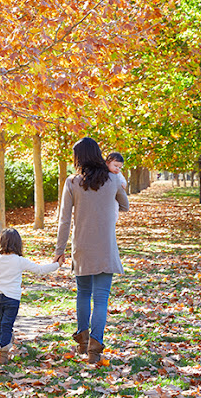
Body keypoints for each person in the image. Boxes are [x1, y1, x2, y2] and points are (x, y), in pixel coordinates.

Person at [53, 138, 129, 364]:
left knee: (83, 295)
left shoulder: (72, 182)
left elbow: (64, 220)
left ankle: (83, 343)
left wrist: (59, 249)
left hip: (82, 247)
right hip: (106, 247)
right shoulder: (113, 179)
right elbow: (125, 206)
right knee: (101, 298)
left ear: (80, 158)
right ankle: (95, 351)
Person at [0, 228, 62, 364]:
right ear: (18, 244)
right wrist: (57, 264)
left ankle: (2, 345)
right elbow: (40, 270)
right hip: (12, 298)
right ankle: (3, 352)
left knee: (2, 323)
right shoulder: (19, 261)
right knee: (6, 325)